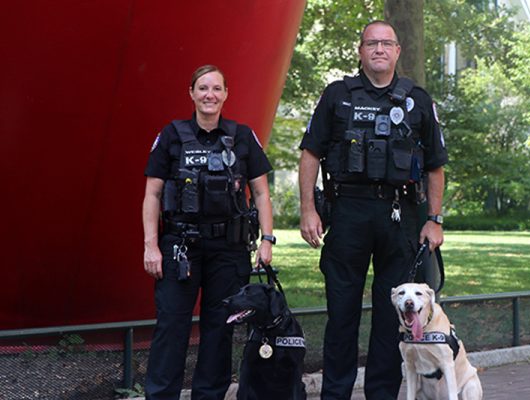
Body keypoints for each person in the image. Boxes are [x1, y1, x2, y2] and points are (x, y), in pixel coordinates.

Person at [298, 21, 448, 400]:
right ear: (360, 50)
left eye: (386, 43)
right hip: (348, 213)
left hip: (401, 217)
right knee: (342, 313)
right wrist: (307, 210)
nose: (379, 49)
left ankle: (381, 394)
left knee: (392, 316)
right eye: (371, 43)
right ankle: (336, 394)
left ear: (398, 51)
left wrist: (434, 219)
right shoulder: (337, 95)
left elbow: (435, 165)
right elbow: (310, 153)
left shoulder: (417, 99)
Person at [142, 64, 275, 400]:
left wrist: (268, 240)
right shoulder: (171, 136)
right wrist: (151, 246)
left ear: (226, 94)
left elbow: (260, 193)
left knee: (220, 330)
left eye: (216, 89)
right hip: (180, 247)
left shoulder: (242, 136)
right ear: (191, 93)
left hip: (229, 249)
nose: (209, 95)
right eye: (203, 88)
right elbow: (152, 195)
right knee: (172, 328)